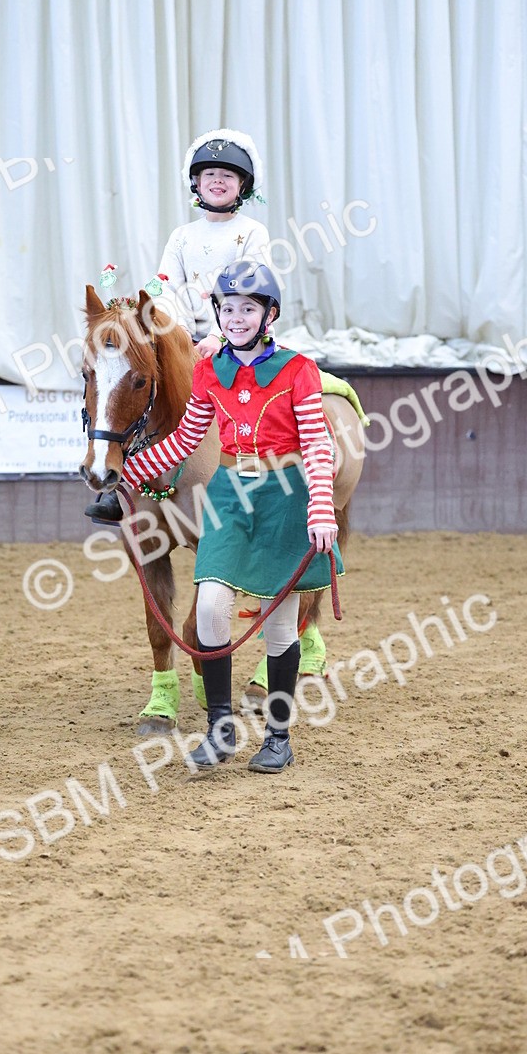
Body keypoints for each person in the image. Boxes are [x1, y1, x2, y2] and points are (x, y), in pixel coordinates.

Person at [119, 261, 343, 774]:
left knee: (280, 624)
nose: (237, 317)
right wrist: (129, 473)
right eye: (228, 308)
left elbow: (314, 442)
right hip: (228, 492)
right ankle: (221, 730)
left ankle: (278, 736)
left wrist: (322, 508)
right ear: (217, 313)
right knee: (212, 607)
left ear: (269, 314)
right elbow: (186, 437)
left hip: (284, 495)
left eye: (248, 308)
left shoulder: (298, 370)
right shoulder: (207, 370)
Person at [85, 128, 269, 525]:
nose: (217, 181)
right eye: (209, 175)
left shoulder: (252, 233)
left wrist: (222, 335)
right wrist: (175, 334)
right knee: (139, 388)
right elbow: (165, 286)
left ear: (242, 187)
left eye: (227, 176)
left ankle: (254, 473)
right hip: (187, 337)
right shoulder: (182, 236)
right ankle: (119, 487)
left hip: (240, 334)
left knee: (249, 392)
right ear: (196, 184)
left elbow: (251, 286)